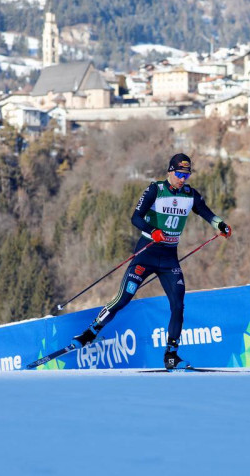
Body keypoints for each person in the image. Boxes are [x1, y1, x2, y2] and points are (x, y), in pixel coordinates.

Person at [72, 153, 232, 369]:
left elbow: (207, 213)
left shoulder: (190, 194)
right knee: (124, 298)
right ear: (170, 171)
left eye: (186, 174)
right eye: (179, 174)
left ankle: (171, 355)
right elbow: (135, 217)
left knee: (178, 305)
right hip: (146, 253)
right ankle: (90, 332)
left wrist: (220, 225)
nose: (182, 178)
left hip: (169, 258)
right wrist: (152, 230)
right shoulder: (155, 189)